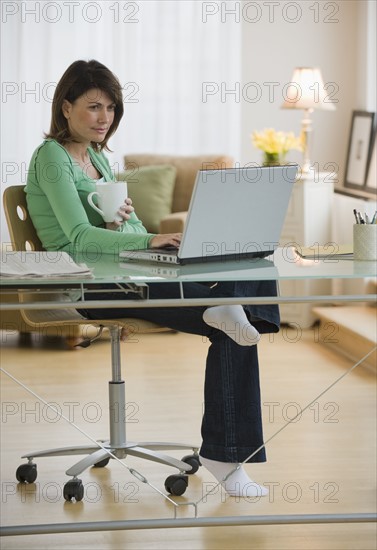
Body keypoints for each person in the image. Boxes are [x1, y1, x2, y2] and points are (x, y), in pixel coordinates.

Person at [25, 59, 280, 498]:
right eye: (93, 107)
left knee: (246, 262)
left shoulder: (99, 161)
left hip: (131, 270)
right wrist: (137, 239)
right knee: (231, 322)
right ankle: (225, 452)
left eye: (111, 108)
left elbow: (129, 226)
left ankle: (237, 314)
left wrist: (157, 240)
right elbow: (77, 237)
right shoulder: (53, 158)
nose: (105, 117)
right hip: (89, 284)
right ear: (65, 108)